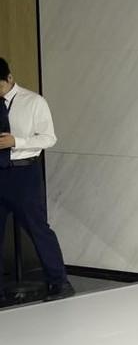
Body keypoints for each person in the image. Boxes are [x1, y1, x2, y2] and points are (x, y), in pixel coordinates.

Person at [0, 58, 73, 303]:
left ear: (10, 78)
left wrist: (16, 142)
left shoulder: (33, 102)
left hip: (23, 173)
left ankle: (59, 282)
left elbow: (49, 138)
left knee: (37, 228)